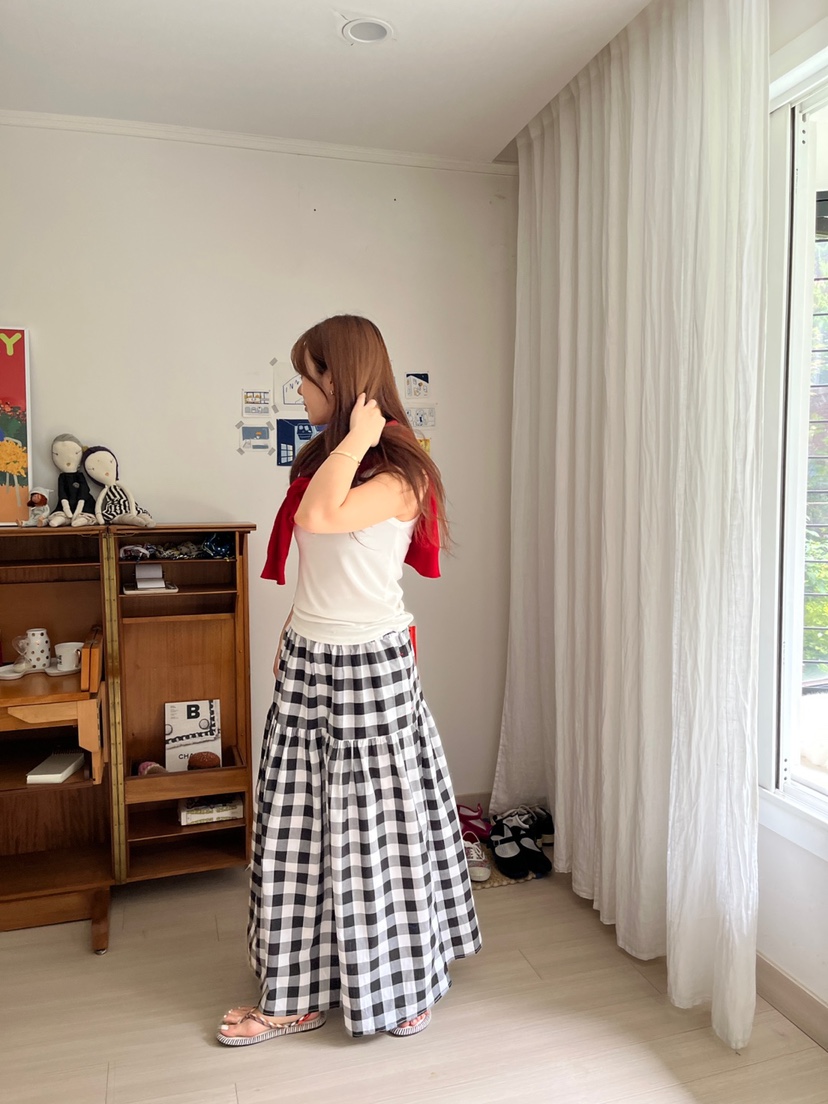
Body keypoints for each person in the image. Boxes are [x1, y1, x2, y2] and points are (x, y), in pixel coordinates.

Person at [218, 315, 481, 1046]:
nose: (299, 391)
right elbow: (320, 556)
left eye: (308, 377)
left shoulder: (400, 471)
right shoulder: (325, 459)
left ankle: (402, 988)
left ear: (342, 379)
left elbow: (321, 515)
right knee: (295, 830)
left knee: (377, 835)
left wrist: (363, 436)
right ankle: (297, 995)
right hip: (310, 655)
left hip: (369, 663)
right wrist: (291, 625)